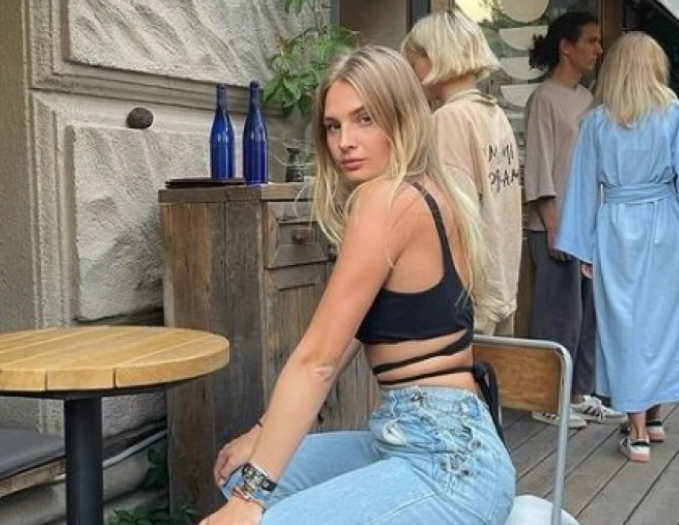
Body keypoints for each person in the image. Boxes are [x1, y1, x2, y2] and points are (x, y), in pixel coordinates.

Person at [199, 45, 514, 525]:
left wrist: (250, 499)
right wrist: (262, 435)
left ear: (402, 117)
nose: (345, 141)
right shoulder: (428, 188)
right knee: (240, 471)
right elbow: (342, 341)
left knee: (252, 505)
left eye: (365, 119)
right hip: (411, 438)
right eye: (333, 126)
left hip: (449, 463)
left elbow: (316, 362)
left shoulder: (387, 201)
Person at [555, 32, 679, 463]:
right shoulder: (673, 113)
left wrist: (583, 247)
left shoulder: (597, 122)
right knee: (660, 322)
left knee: (623, 325)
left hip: (616, 225)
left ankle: (639, 429)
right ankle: (653, 419)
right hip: (664, 221)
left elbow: (582, 189)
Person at [522, 11, 626, 429]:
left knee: (587, 317)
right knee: (556, 316)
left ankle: (579, 395)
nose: (599, 49)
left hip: (588, 227)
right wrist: (553, 226)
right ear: (566, 46)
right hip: (557, 226)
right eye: (592, 41)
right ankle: (546, 398)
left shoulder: (588, 100)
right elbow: (539, 166)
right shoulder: (544, 99)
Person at [402, 9, 522, 336]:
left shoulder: (448, 120)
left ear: (432, 58)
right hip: (502, 280)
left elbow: (452, 214)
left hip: (469, 291)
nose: (411, 73)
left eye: (413, 63)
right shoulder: (495, 114)